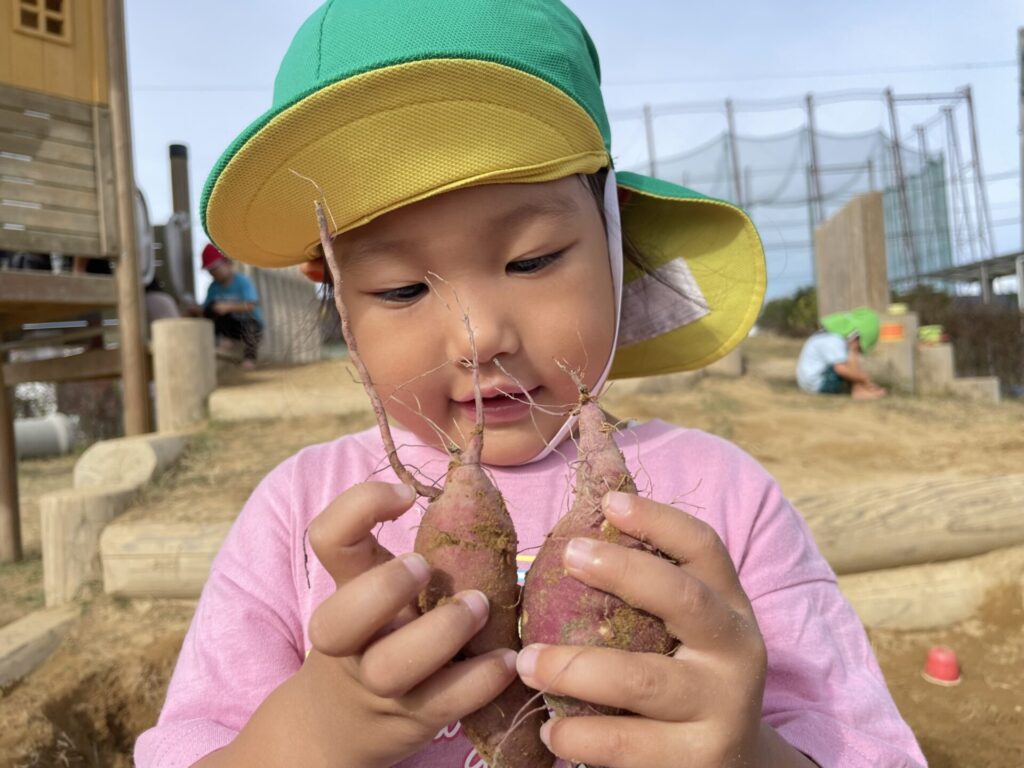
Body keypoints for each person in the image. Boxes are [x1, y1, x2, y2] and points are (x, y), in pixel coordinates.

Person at [136, 3, 924, 767]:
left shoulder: (728, 504)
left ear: (615, 247)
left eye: (533, 260)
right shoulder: (296, 515)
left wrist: (749, 755)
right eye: (401, 289)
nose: (479, 335)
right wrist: (308, 737)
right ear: (338, 300)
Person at [188, 244, 263, 369]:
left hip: (247, 322)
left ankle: (249, 359)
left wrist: (228, 307)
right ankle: (223, 340)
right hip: (229, 324)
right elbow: (208, 309)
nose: (213, 273)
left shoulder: (242, 282)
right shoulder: (213, 287)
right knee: (212, 309)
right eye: (210, 271)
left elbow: (250, 305)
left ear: (228, 264)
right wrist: (196, 310)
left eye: (215, 269)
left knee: (252, 328)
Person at [796, 307, 887, 399]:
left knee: (849, 362)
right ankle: (859, 392)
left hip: (810, 382)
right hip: (817, 384)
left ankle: (861, 389)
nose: (858, 350)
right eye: (859, 347)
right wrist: (865, 379)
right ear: (856, 336)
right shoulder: (834, 340)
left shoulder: (829, 336)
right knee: (849, 366)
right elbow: (841, 369)